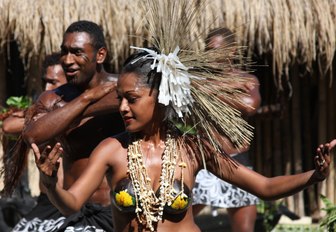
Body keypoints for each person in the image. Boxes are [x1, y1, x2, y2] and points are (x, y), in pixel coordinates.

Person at [30, 44, 335, 232]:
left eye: (132, 99)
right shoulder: (112, 150)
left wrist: (316, 175)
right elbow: (70, 204)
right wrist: (48, 183)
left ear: (161, 98)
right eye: (120, 98)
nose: (122, 107)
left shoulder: (192, 149)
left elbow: (265, 187)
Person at [7, 20, 124, 231]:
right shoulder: (52, 98)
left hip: (119, 207)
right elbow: (33, 135)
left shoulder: (123, 88)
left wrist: (67, 114)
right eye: (64, 51)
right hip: (74, 209)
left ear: (100, 55)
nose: (67, 60)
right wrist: (86, 99)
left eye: (77, 52)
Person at [192, 28, 261, 232]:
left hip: (237, 160)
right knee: (177, 223)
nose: (211, 57)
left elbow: (250, 105)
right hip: (205, 162)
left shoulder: (247, 80)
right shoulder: (197, 81)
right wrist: (225, 93)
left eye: (217, 51)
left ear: (231, 52)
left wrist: (211, 92)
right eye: (208, 51)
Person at [0, 52, 67, 231]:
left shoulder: (80, 113)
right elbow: (8, 126)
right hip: (44, 203)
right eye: (45, 80)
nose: (46, 86)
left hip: (69, 203)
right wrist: (42, 120)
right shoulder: (39, 109)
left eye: (53, 82)